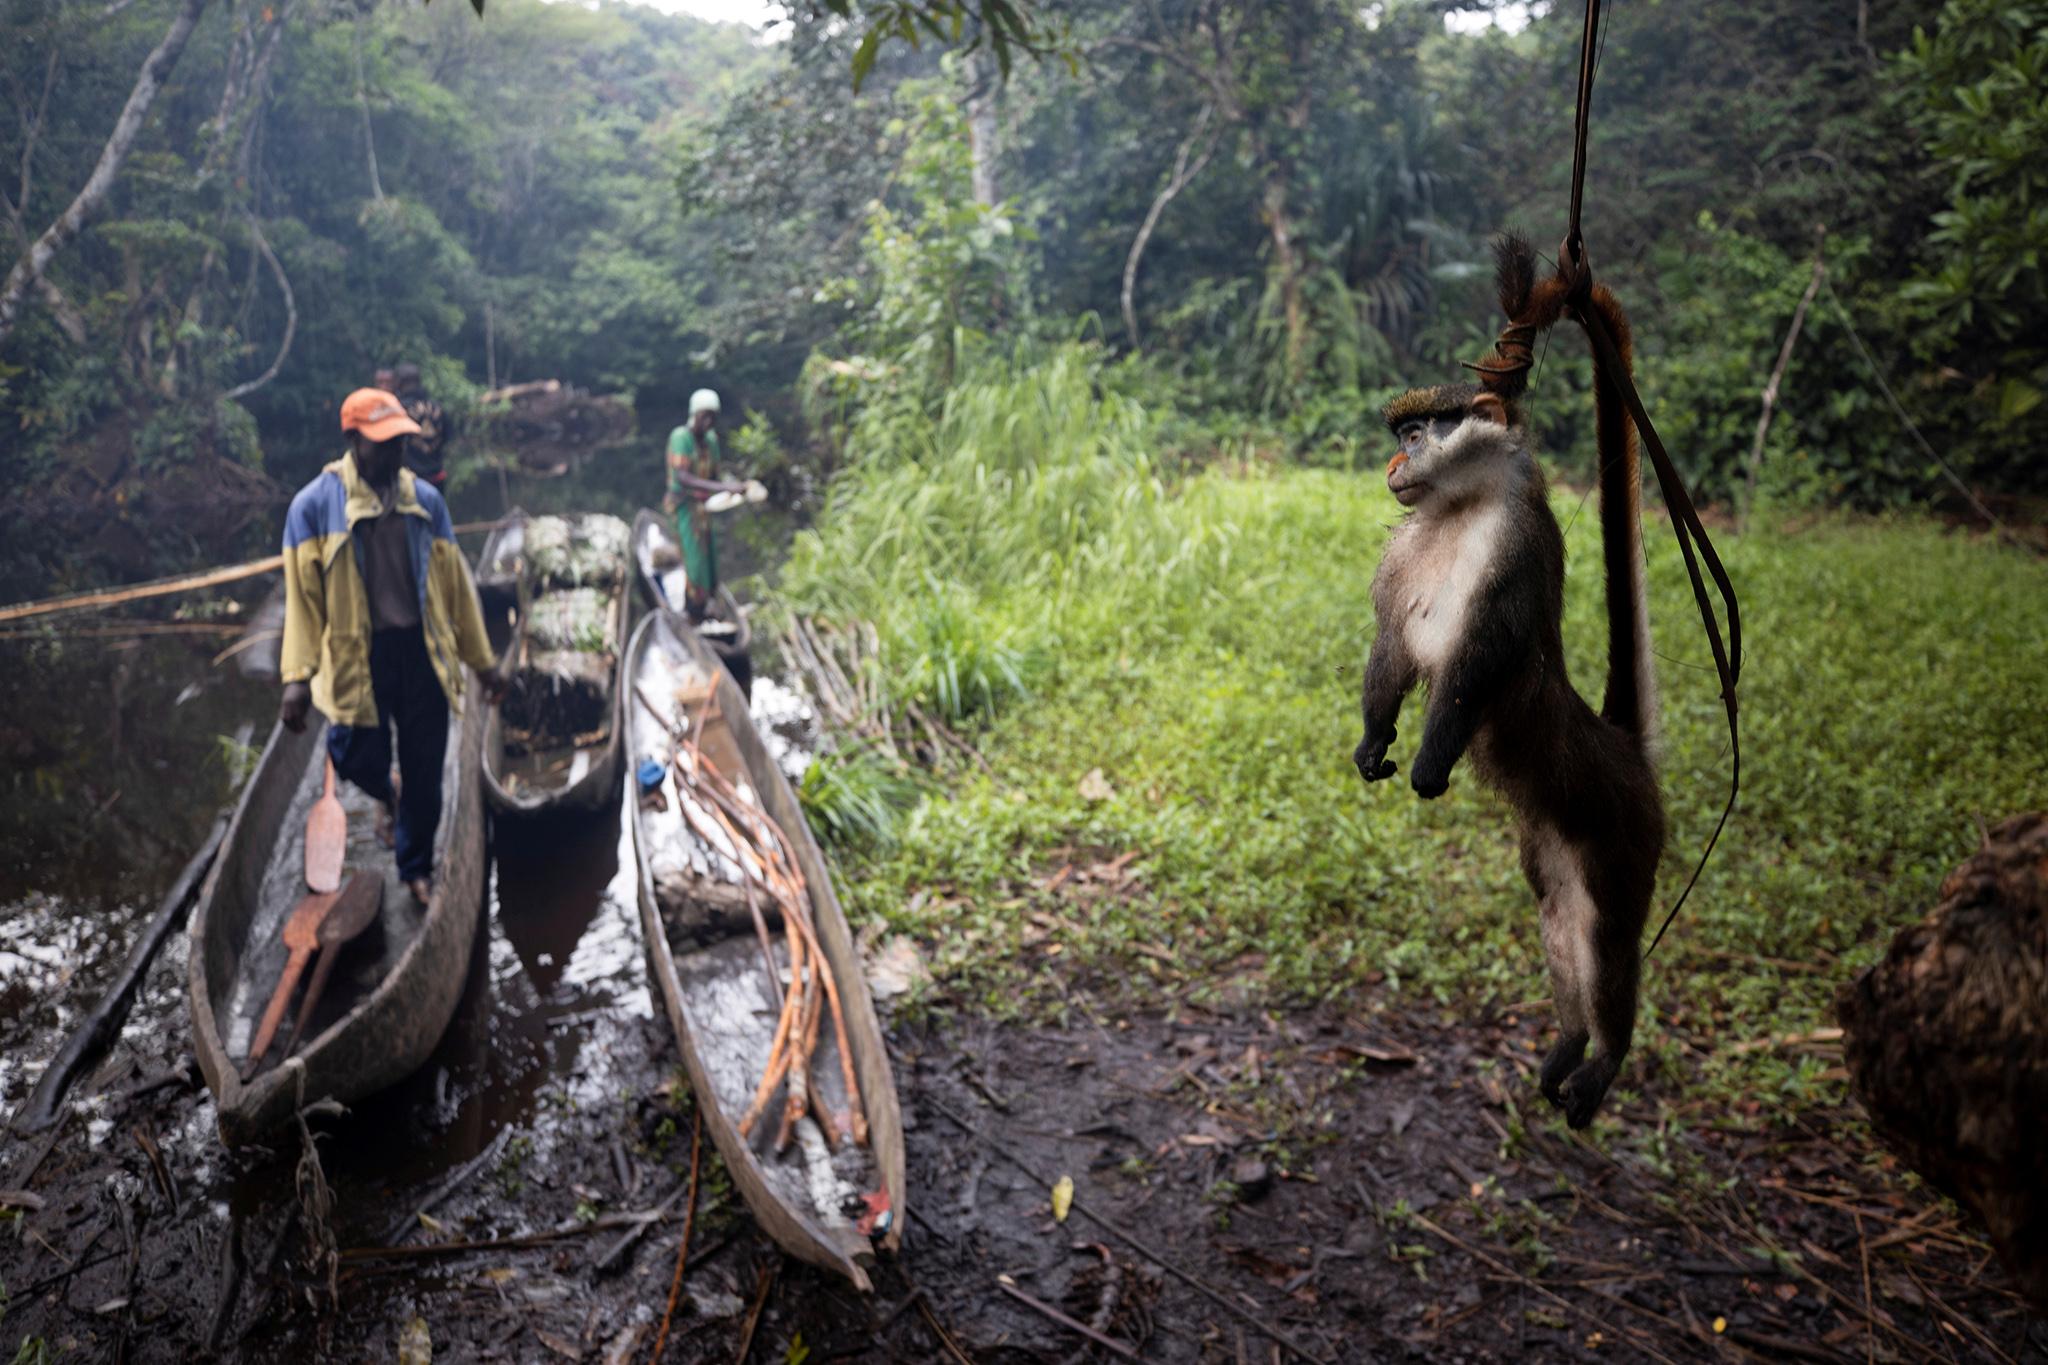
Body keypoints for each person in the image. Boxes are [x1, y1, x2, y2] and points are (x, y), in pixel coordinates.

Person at [278, 387, 504, 905]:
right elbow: (303, 601)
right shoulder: (313, 508)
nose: (397, 453)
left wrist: (483, 664)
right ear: (354, 441)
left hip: (422, 652)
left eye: (401, 442)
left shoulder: (425, 502)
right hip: (362, 657)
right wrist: (297, 678)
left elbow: (458, 591)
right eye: (384, 444)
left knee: (427, 768)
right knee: (353, 755)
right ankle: (388, 792)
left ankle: (415, 867)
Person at [660, 387, 764, 617]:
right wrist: (725, 488)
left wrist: (738, 488)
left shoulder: (711, 441)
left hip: (704, 508)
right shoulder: (681, 437)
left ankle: (708, 601)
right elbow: (683, 478)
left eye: (712, 417)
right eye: (703, 416)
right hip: (683, 507)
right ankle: (692, 609)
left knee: (709, 557)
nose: (708, 422)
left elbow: (715, 476)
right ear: (694, 415)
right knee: (693, 558)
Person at [393, 362, 450, 489]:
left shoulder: (398, 410)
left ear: (399, 383)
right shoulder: (438, 407)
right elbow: (447, 436)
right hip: (437, 478)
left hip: (409, 482)